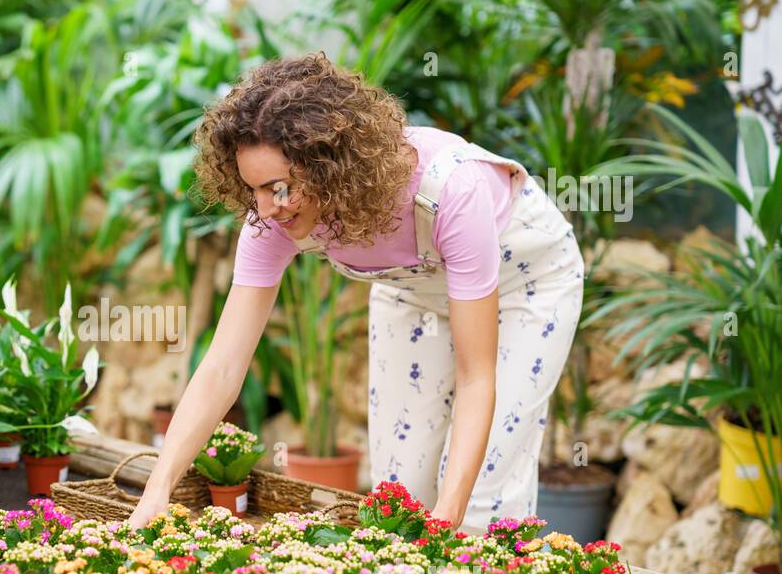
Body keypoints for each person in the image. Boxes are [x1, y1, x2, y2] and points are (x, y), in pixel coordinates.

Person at [127, 53, 583, 532]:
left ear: (328, 168)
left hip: (525, 286)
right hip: (416, 295)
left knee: (482, 492)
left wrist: (446, 524)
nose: (265, 207)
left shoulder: (452, 189)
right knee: (399, 495)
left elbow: (476, 377)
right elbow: (222, 367)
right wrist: (158, 490)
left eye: (277, 187)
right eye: (253, 189)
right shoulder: (271, 220)